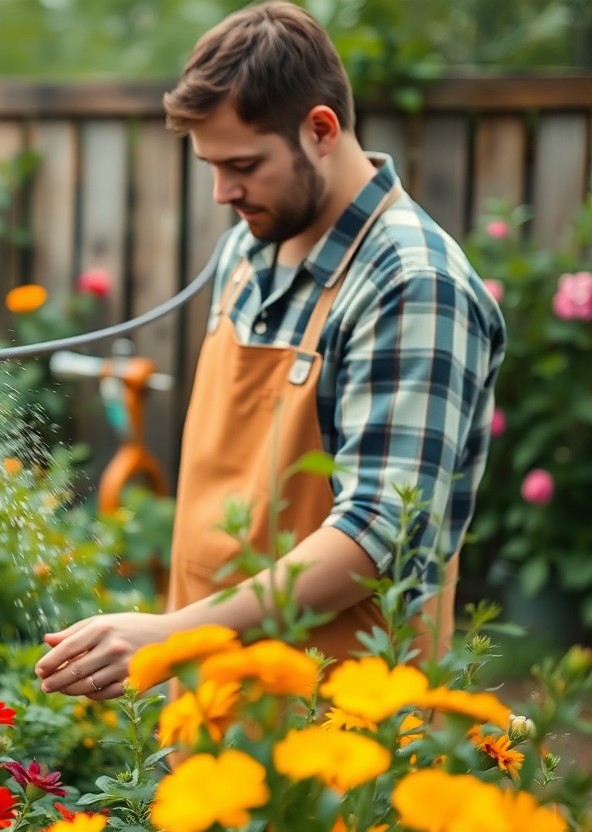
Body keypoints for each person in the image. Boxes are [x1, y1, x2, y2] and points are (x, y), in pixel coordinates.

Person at [35, 0, 506, 700]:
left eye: (244, 164)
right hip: (212, 697)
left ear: (320, 129)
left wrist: (175, 634)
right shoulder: (247, 250)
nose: (224, 193)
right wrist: (180, 643)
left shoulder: (412, 283)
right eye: (212, 167)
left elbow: (376, 534)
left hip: (341, 728)